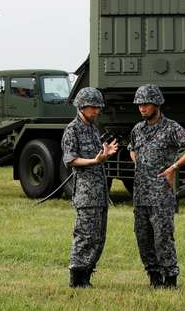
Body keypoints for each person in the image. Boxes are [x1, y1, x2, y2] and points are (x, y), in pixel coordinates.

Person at [128, 84, 185, 288]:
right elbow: (132, 147)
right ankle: (154, 277)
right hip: (140, 195)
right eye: (139, 105)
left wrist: (174, 167)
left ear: (157, 104)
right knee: (143, 239)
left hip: (161, 195)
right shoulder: (137, 129)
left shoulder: (171, 128)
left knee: (163, 238)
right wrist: (138, 161)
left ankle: (170, 279)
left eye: (146, 104)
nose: (142, 108)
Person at [61, 87, 119, 288]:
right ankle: (77, 278)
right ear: (81, 107)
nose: (96, 111)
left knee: (98, 238)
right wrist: (95, 161)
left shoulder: (93, 129)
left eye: (98, 107)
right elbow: (71, 160)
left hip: (100, 193)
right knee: (84, 236)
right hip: (86, 195)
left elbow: (97, 157)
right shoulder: (72, 130)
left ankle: (86, 276)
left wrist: (105, 154)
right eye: (93, 107)